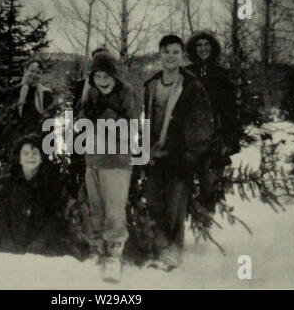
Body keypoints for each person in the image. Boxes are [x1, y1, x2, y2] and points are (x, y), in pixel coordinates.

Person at [143, 35, 214, 270]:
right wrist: (144, 151)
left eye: (175, 52)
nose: (170, 56)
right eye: (166, 51)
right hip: (155, 156)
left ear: (182, 55)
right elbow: (146, 122)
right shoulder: (151, 85)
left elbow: (202, 124)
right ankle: (159, 248)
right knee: (155, 203)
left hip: (179, 157)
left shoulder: (191, 85)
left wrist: (190, 156)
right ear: (160, 54)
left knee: (175, 206)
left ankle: (173, 251)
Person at [80, 52, 142, 282]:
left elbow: (132, 128)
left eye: (107, 76)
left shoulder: (126, 93)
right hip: (93, 160)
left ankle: (114, 256)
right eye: (98, 76)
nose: (103, 81)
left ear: (114, 76)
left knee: (115, 211)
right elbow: (80, 118)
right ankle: (99, 250)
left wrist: (107, 116)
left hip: (116, 161)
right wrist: (84, 119)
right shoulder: (89, 92)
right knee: (97, 208)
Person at [185, 31, 241, 213]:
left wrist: (230, 139)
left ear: (213, 48)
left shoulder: (221, 75)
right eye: (199, 45)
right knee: (182, 185)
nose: (203, 49)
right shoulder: (186, 74)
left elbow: (229, 110)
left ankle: (205, 223)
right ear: (194, 49)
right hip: (189, 138)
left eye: (206, 45)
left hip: (213, 138)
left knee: (209, 183)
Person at [0, 133, 67, 253]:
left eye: (35, 153)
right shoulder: (9, 187)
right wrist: (8, 245)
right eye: (26, 153)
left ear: (42, 158)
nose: (30, 157)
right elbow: (2, 219)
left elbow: (53, 221)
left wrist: (38, 246)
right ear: (20, 159)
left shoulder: (51, 186)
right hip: (10, 250)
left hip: (41, 251)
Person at [7, 59, 56, 134]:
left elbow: (49, 122)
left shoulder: (45, 94)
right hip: (16, 135)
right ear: (25, 71)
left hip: (37, 136)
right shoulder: (14, 92)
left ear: (41, 75)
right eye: (32, 71)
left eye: (38, 73)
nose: (34, 75)